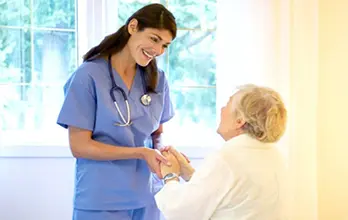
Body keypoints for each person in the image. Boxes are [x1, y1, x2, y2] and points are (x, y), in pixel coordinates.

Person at [57, 3, 178, 220]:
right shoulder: (88, 76)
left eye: (165, 46)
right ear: (133, 27)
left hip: (148, 195)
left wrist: (162, 156)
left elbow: (157, 133)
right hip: (101, 198)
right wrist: (140, 152)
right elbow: (79, 146)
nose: (158, 51)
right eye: (154, 39)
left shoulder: (157, 79)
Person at [156, 84, 289, 220]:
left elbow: (181, 212)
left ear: (239, 121)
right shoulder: (275, 156)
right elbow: (230, 195)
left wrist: (170, 175)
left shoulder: (228, 159)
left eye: (228, 104)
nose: (221, 109)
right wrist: (189, 173)